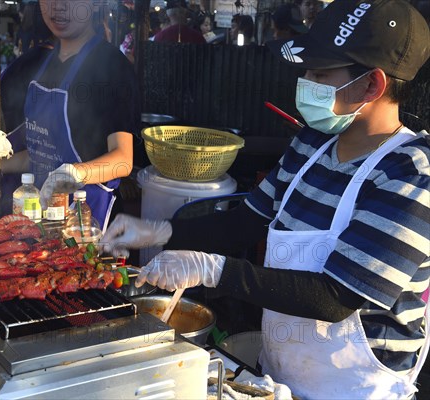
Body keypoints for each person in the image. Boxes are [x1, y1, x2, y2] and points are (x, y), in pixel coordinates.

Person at [101, 0, 430, 398]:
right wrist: (158, 231)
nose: (305, 80)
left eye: (320, 72)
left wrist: (213, 270)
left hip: (359, 390)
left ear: (372, 85)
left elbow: (337, 296)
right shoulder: (311, 144)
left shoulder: (409, 173)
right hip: (278, 379)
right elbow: (244, 222)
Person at [0, 0, 140, 229]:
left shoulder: (113, 67)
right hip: (41, 219)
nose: (58, 7)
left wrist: (74, 173)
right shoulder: (39, 62)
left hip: (89, 222)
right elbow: (38, 154)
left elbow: (123, 160)